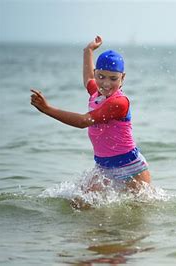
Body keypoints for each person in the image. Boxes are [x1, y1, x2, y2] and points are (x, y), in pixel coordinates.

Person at [30, 35, 151, 197]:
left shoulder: (120, 102)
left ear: (123, 78)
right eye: (101, 77)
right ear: (96, 74)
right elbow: (88, 78)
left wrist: (47, 109)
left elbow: (83, 121)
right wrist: (88, 51)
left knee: (137, 215)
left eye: (113, 78)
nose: (106, 83)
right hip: (103, 167)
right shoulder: (96, 92)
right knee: (78, 204)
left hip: (130, 167)